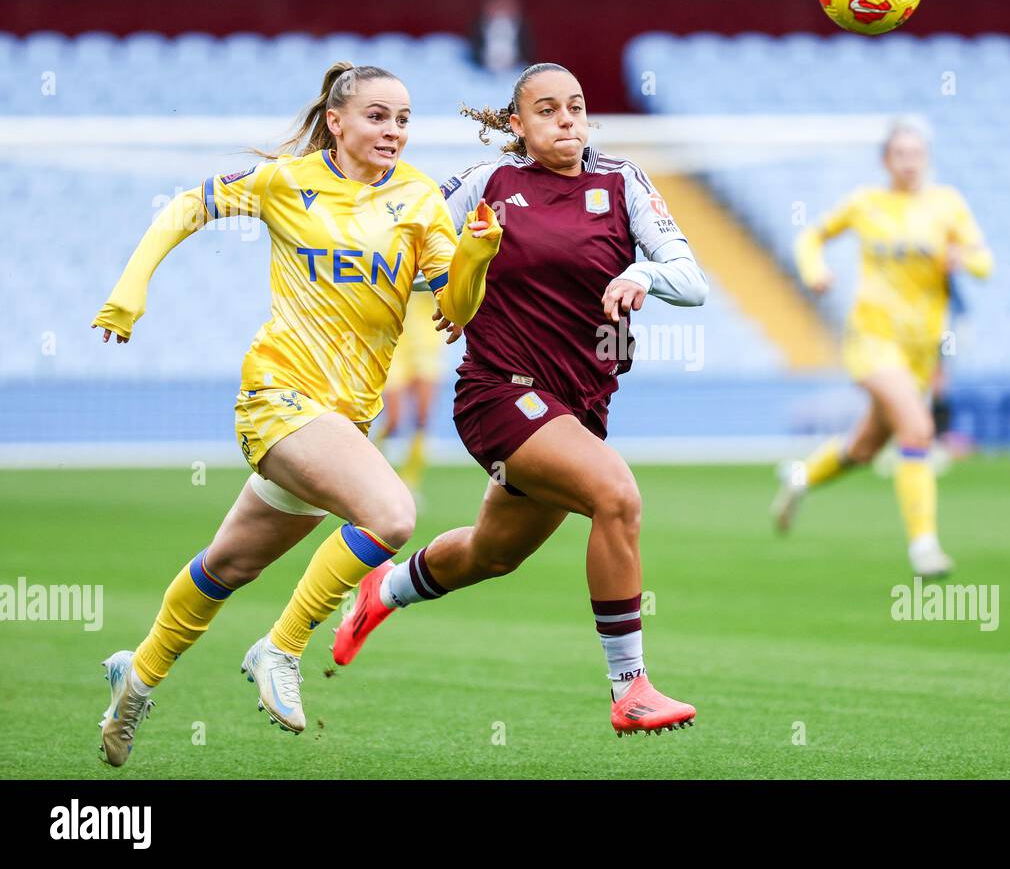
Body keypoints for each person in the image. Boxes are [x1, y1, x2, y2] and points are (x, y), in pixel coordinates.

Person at [91, 61, 503, 766]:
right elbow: (188, 206)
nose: (393, 130)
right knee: (392, 515)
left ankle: (137, 680)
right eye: (377, 116)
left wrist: (476, 253)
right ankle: (280, 648)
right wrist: (131, 290)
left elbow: (454, 312)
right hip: (277, 396)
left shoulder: (420, 201)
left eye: (403, 118)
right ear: (337, 122)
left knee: (228, 564)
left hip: (342, 422)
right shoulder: (290, 182)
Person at [330, 62, 708, 737]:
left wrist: (641, 272)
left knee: (493, 554)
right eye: (548, 110)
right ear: (517, 125)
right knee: (616, 495)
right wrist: (447, 284)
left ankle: (382, 590)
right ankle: (631, 688)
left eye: (577, 106)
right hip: (500, 393)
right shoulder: (488, 185)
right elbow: (403, 244)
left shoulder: (621, 183)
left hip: (577, 408)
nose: (567, 120)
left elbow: (691, 279)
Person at [770, 120, 993, 578]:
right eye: (901, 155)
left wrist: (963, 258)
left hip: (920, 348)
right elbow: (809, 237)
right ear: (885, 161)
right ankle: (924, 547)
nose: (910, 163)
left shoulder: (947, 205)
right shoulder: (866, 203)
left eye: (917, 154)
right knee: (917, 428)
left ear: (926, 159)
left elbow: (985, 262)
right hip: (871, 339)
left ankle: (799, 478)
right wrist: (814, 271)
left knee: (868, 446)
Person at [376, 285, 449, 494]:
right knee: (393, 420)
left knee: (422, 418)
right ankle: (370, 475)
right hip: (395, 344)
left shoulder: (436, 255)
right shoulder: (399, 254)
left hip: (427, 345)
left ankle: (410, 483)